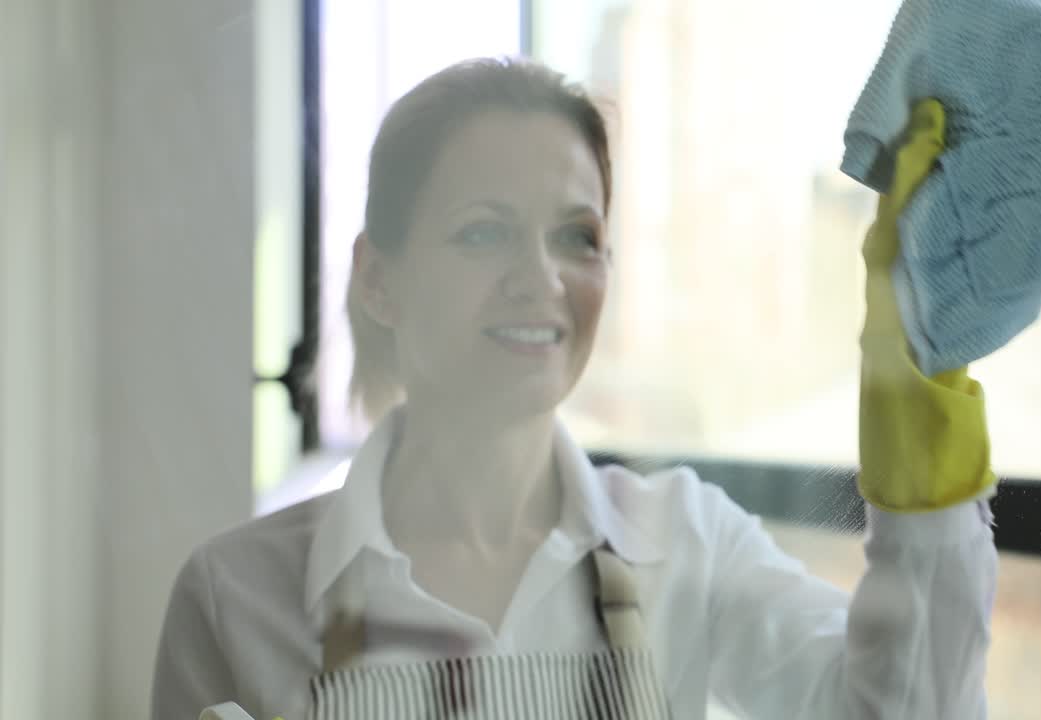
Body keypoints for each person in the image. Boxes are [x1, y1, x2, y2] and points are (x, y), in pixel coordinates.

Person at [152, 57, 997, 720]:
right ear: (378, 279)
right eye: (483, 232)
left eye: (577, 237)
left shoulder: (686, 546)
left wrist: (920, 422)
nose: (541, 279)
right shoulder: (235, 597)